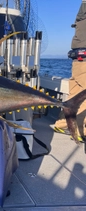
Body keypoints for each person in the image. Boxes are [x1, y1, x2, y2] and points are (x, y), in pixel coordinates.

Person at [52, 2, 86, 142]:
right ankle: (79, 130)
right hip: (83, 59)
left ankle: (62, 123)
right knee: (83, 94)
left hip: (79, 59)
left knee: (76, 92)